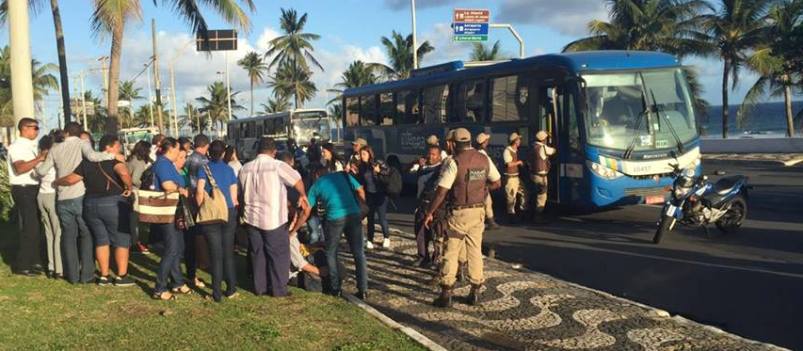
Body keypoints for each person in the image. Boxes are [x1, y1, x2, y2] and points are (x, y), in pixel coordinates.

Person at [423, 128, 501, 308]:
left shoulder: (454, 162)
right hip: (478, 212)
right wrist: (482, 189)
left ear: (453, 143)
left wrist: (430, 212)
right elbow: (497, 182)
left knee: (451, 250)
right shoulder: (484, 158)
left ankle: (447, 292)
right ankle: (475, 291)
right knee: (475, 250)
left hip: (459, 213)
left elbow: (442, 191)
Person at [36, 122, 120, 284]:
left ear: (66, 133)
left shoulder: (55, 148)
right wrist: (112, 156)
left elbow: (41, 171)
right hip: (80, 194)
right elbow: (93, 157)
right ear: (80, 132)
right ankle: (86, 274)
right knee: (86, 234)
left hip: (62, 197)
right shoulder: (83, 143)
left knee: (68, 236)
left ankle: (72, 275)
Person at [56, 135, 135, 286]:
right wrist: (129, 187)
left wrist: (57, 181)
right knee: (121, 240)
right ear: (108, 147)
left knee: (101, 240)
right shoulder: (114, 160)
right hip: (112, 202)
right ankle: (122, 275)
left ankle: (104, 275)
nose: (119, 149)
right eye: (117, 146)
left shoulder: (87, 163)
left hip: (90, 204)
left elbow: (71, 179)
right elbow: (123, 173)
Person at [239, 137, 309, 297]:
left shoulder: (245, 168)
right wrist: (302, 195)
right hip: (273, 218)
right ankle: (278, 289)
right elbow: (297, 180)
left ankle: (260, 287)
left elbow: (241, 194)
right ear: (274, 151)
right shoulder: (278, 166)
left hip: (251, 218)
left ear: (257, 150)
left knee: (258, 253)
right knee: (278, 254)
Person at [300, 165, 368, 299]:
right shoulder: (343, 175)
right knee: (358, 253)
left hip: (334, 218)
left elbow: (307, 208)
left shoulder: (317, 185)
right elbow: (360, 189)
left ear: (316, 175)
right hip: (354, 214)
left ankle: (335, 288)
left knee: (331, 252)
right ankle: (363, 289)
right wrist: (361, 204)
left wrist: (297, 225)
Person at [196, 140, 239, 302]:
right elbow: (234, 196)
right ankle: (231, 288)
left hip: (211, 214)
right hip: (228, 212)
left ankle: (216, 292)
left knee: (215, 253)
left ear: (209, 153)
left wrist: (202, 207)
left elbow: (199, 192)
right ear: (223, 153)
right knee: (228, 252)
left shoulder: (203, 169)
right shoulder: (229, 170)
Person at [151, 137, 191, 300]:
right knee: (171, 249)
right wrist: (181, 190)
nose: (179, 153)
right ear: (172, 150)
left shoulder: (166, 164)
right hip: (167, 211)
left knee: (176, 247)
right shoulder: (163, 164)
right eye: (177, 150)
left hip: (174, 211)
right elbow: (167, 185)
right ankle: (160, 287)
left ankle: (177, 282)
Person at [7, 118, 46, 275]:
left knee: (35, 226)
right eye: (34, 128)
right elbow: (20, 168)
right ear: (24, 129)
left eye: (38, 128)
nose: (37, 131)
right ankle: (23, 264)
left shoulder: (30, 146)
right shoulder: (17, 147)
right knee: (29, 227)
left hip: (33, 187)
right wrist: (39, 158)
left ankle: (34, 260)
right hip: (23, 188)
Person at [184, 134, 210, 288]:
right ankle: (202, 262)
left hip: (189, 197)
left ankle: (193, 266)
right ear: (206, 146)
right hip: (199, 198)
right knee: (199, 234)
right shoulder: (204, 161)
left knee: (191, 235)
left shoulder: (188, 158)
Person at [353, 145, 390, 249]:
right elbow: (360, 181)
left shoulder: (377, 162)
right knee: (370, 218)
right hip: (369, 194)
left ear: (369, 154)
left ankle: (386, 237)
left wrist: (379, 171)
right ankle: (370, 239)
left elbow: (388, 172)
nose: (362, 156)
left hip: (380, 193)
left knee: (382, 217)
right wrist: (354, 173)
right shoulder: (361, 166)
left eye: (364, 154)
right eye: (361, 154)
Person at [36, 133, 62, 279]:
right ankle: (59, 269)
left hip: (41, 195)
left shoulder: (40, 160)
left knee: (48, 233)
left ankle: (51, 267)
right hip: (52, 195)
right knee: (58, 233)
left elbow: (37, 174)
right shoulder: (53, 159)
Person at [413, 144, 443, 267]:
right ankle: (423, 256)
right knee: (420, 233)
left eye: (434, 154)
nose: (430, 157)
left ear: (439, 156)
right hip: (421, 204)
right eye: (429, 154)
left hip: (435, 205)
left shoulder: (441, 170)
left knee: (436, 234)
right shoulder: (423, 168)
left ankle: (436, 258)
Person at [126, 140, 152, 253]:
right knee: (134, 219)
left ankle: (132, 241)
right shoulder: (140, 162)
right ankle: (134, 243)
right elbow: (135, 179)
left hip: (127, 190)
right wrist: (144, 185)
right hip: (135, 191)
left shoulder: (131, 159)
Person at [475, 133, 500, 230]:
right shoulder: (483, 155)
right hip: (482, 183)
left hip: (478, 182)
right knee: (485, 202)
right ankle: (489, 222)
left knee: (487, 201)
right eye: (486, 140)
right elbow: (496, 178)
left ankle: (490, 221)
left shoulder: (475, 153)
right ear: (484, 142)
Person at [529, 130, 557, 217]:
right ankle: (538, 215)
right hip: (541, 176)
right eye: (546, 138)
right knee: (542, 196)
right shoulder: (543, 148)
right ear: (543, 139)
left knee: (535, 194)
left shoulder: (533, 147)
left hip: (533, 174)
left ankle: (531, 213)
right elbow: (553, 151)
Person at [502, 132, 527, 222]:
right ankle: (511, 215)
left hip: (516, 177)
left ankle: (522, 210)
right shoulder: (507, 151)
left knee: (524, 192)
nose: (520, 141)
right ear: (515, 141)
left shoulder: (515, 151)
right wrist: (519, 162)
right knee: (511, 197)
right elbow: (509, 164)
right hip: (510, 178)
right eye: (518, 139)